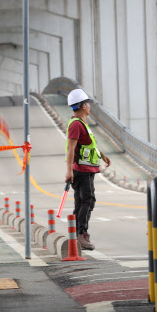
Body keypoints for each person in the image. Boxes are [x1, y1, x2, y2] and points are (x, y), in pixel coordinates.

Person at [64, 88, 111, 250]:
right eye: (88, 104)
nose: (89, 107)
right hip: (81, 170)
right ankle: (81, 234)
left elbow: (90, 145)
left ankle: (76, 234)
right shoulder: (76, 124)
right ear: (84, 106)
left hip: (86, 169)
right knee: (88, 200)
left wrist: (103, 156)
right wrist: (69, 170)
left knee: (81, 202)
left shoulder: (82, 123)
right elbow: (71, 148)